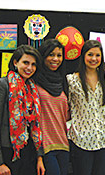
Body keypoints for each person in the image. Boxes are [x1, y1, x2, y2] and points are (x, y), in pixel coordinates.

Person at [0, 45, 45, 175]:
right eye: (25, 62)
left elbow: (36, 124)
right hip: (7, 152)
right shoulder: (1, 85)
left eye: (33, 64)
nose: (29, 68)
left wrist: (39, 157)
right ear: (15, 62)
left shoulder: (32, 89)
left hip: (29, 152)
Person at [66, 40, 105, 175]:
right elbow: (67, 107)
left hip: (102, 139)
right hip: (81, 140)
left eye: (97, 55)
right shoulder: (72, 80)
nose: (94, 59)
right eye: (90, 55)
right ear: (83, 56)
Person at [34, 39, 70, 175]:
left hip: (63, 144)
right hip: (44, 147)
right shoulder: (34, 81)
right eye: (51, 55)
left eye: (59, 55)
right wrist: (39, 154)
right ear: (43, 56)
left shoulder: (63, 82)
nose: (55, 59)